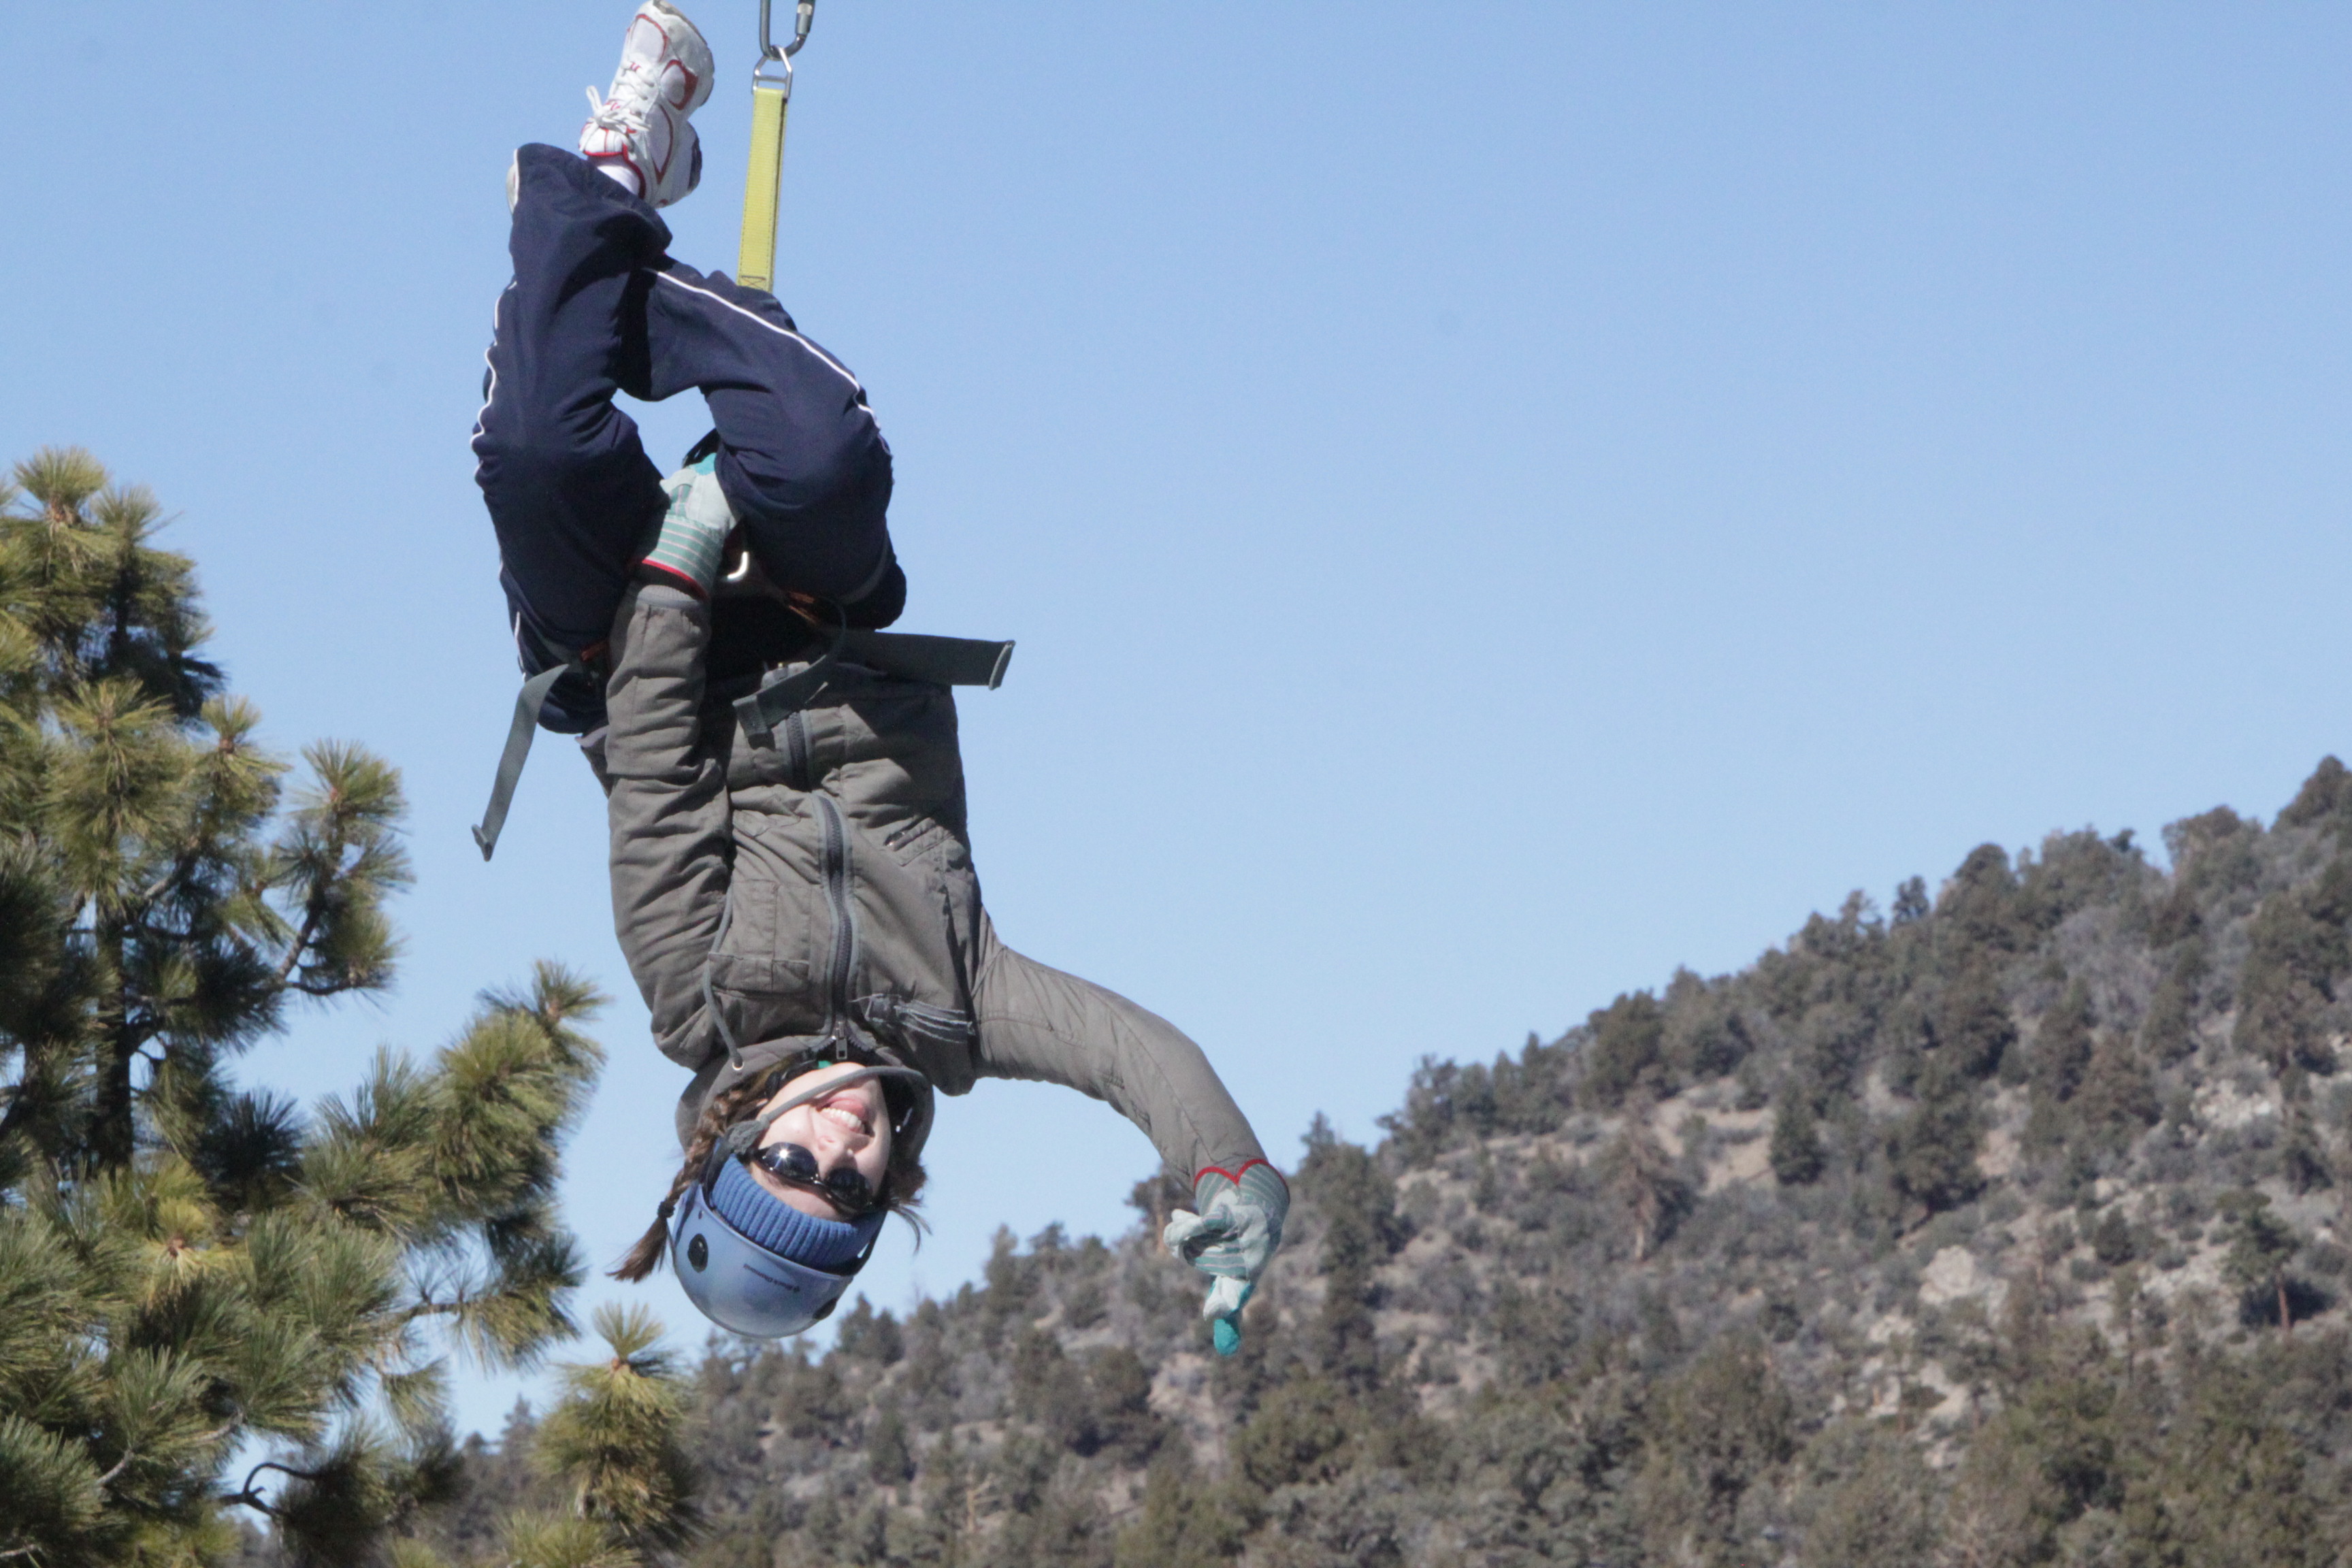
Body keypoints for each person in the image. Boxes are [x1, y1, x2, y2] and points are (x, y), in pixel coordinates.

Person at [470, 2, 1287, 1350]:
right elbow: (1140, 1058)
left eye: (785, 1169)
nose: (835, 1153)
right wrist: (1228, 1167)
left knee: (536, 454)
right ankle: (586, 249)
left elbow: (661, 769)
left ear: (726, 1144)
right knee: (817, 449)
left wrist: (678, 563)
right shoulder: (960, 1007)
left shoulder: (699, 997)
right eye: (847, 1193)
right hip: (820, 621)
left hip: (627, 644)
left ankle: (600, 193)